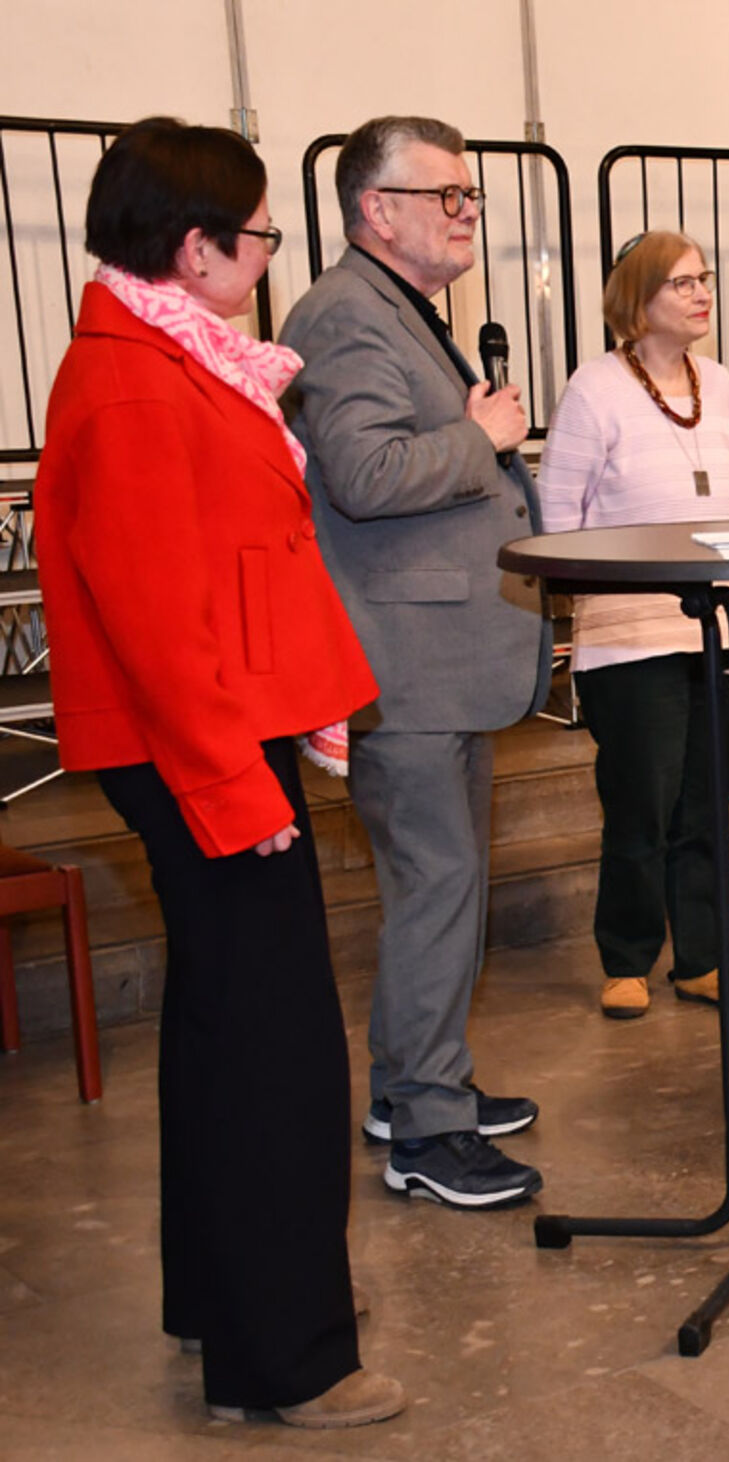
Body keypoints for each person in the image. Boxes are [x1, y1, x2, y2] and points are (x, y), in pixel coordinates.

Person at [35, 117, 402, 1428]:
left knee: (220, 1031)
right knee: (276, 1054)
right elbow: (154, 618)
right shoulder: (135, 383)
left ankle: (220, 1299)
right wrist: (231, 787)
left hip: (215, 733)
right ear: (194, 249)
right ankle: (288, 1357)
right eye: (258, 235)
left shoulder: (164, 355)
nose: (266, 255)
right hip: (199, 747)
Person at [282, 115, 551, 1209]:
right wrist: (482, 439)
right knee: (437, 886)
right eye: (446, 194)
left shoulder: (397, 308)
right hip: (405, 659)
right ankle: (429, 1136)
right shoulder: (345, 313)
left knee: (440, 886)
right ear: (376, 210)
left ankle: (410, 1087)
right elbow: (364, 474)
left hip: (444, 656)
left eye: (469, 193)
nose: (466, 211)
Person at [537, 232, 729, 1018]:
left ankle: (701, 960)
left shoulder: (718, 383)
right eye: (682, 283)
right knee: (640, 807)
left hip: (717, 625)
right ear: (639, 298)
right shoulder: (594, 388)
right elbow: (559, 517)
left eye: (704, 278)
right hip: (630, 632)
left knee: (707, 804)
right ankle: (625, 960)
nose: (701, 293)